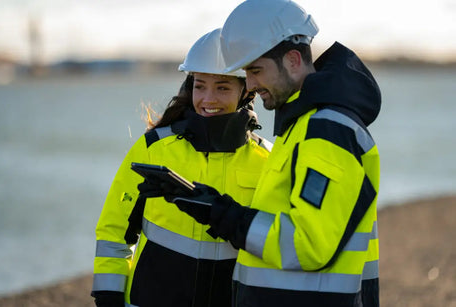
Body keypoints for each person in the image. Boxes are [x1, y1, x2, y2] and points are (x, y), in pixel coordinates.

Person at [153, 0, 382, 306]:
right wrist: (215, 204)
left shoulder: (327, 130)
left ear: (292, 60)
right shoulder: (302, 126)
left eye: (256, 70)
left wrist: (220, 215)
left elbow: (307, 244)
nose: (249, 84)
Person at [91, 28, 271, 307]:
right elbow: (114, 230)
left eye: (222, 87)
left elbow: (277, 244)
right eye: (200, 85)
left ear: (246, 91)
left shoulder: (268, 160)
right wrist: (108, 296)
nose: (208, 99)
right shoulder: (154, 148)